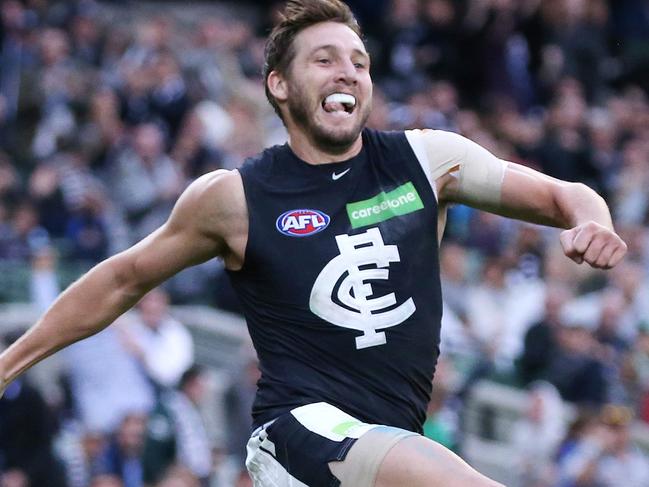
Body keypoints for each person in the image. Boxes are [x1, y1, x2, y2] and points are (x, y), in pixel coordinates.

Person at [0, 1, 628, 486]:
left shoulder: (429, 161)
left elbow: (564, 196)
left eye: (359, 61)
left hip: (387, 448)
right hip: (300, 432)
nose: (348, 73)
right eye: (325, 58)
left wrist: (593, 218)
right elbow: (121, 279)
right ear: (278, 84)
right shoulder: (234, 197)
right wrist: (10, 363)